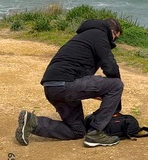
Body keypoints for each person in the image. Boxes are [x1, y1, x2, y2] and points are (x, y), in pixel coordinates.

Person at [15, 18, 124, 148]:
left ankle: (33, 123)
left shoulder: (83, 37)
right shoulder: (99, 34)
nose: (113, 43)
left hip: (52, 88)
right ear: (112, 31)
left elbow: (82, 75)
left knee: (77, 131)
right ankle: (96, 133)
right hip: (66, 85)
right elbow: (111, 68)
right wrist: (116, 101)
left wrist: (101, 93)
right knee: (116, 84)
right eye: (115, 38)